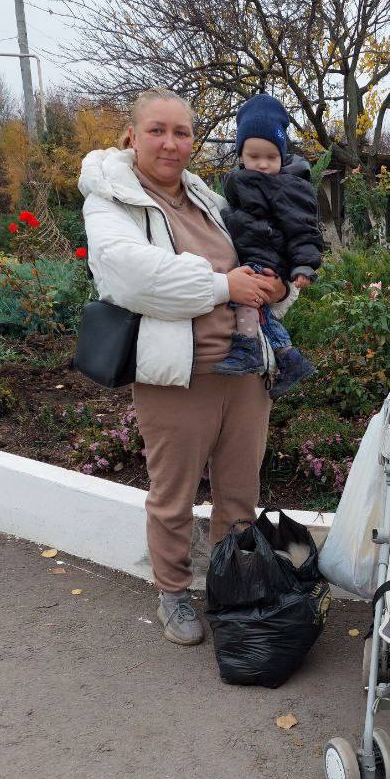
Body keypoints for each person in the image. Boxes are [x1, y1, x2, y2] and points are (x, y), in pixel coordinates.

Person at [79, 89, 290, 646]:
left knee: (239, 492)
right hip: (179, 376)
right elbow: (134, 278)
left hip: (244, 372)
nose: (171, 144)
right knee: (172, 495)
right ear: (132, 135)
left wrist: (277, 285)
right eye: (158, 130)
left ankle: (229, 588)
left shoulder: (206, 199)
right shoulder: (112, 201)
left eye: (183, 132)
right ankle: (173, 591)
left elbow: (257, 261)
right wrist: (225, 284)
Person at [218, 93, 322, 398]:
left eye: (271, 157)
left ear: (283, 156)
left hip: (271, 254)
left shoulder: (289, 185)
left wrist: (304, 264)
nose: (263, 164)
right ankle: (290, 358)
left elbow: (303, 226)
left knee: (246, 299)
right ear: (240, 155)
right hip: (255, 249)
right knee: (260, 310)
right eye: (254, 157)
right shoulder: (239, 181)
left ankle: (249, 348)